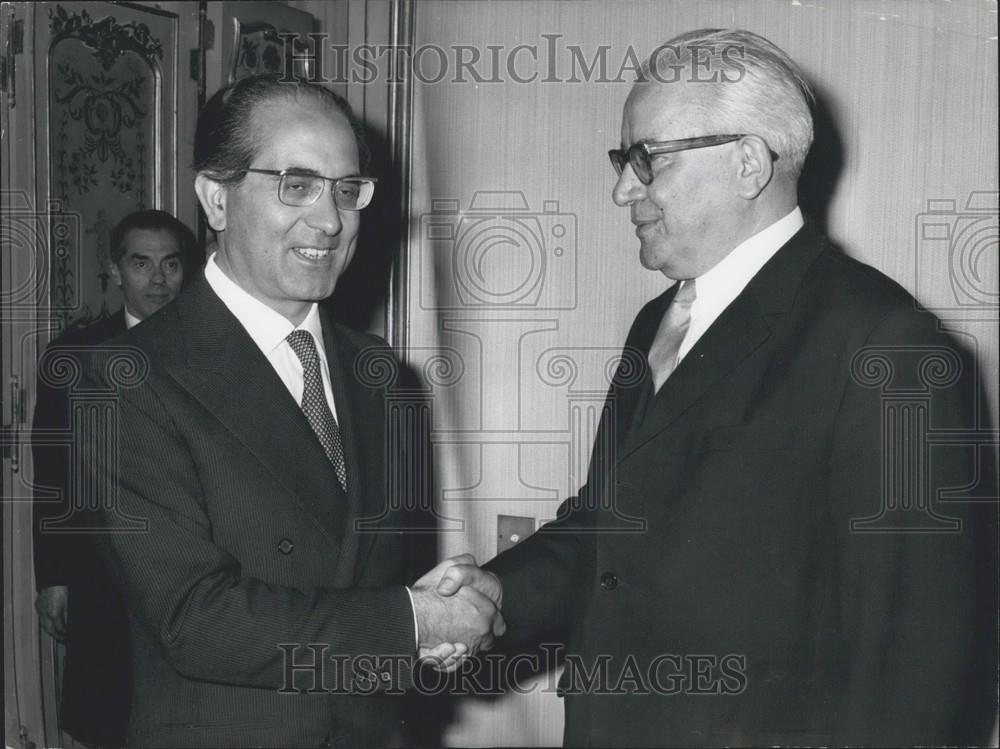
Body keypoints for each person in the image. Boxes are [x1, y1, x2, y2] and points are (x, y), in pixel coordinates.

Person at [435, 29, 997, 746]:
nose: (621, 189)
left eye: (648, 160)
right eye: (623, 159)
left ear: (748, 162)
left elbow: (914, 670)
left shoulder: (884, 343)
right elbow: (612, 528)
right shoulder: (656, 322)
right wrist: (489, 596)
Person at [80, 75, 500, 748]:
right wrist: (412, 622)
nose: (330, 220)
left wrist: (436, 615)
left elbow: (362, 580)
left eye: (346, 189)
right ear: (216, 197)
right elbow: (196, 619)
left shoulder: (383, 375)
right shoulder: (128, 378)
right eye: (296, 185)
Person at [33, 208, 196, 747]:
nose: (157, 279)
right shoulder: (75, 356)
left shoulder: (211, 355)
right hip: (100, 568)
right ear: (114, 270)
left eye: (171, 265)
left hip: (192, 570)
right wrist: (54, 577)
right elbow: (54, 473)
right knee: (105, 715)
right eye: (141, 263)